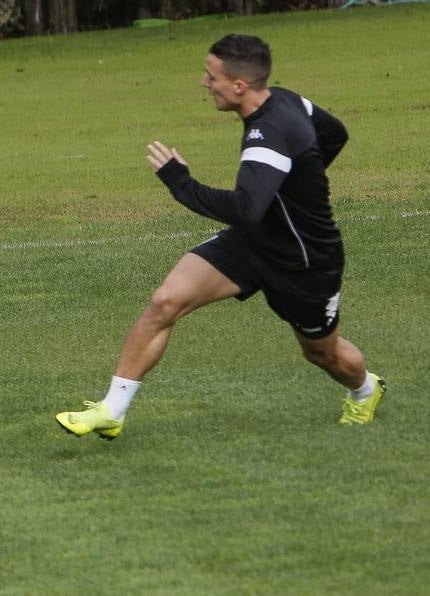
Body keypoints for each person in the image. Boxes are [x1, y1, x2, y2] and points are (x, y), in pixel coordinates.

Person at [57, 33, 384, 438]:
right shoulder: (287, 99)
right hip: (253, 241)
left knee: (323, 354)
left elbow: (245, 208)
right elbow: (335, 133)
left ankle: (365, 389)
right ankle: (112, 410)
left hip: (304, 262)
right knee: (165, 301)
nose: (204, 83)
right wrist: (298, 177)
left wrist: (181, 184)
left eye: (211, 77)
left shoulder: (268, 134)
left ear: (239, 86)